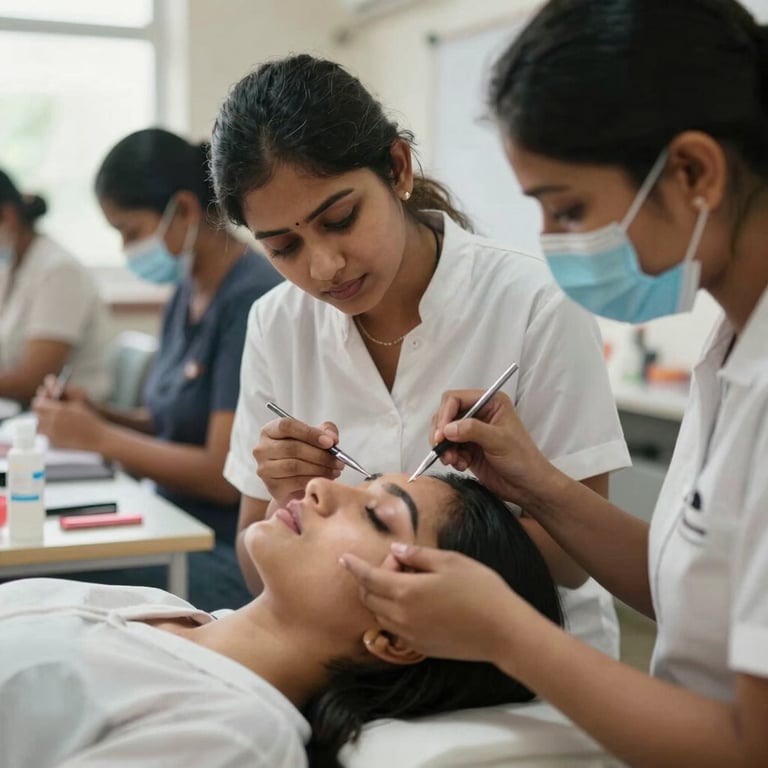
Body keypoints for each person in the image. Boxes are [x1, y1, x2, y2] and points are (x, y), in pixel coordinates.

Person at [340, 1, 768, 765]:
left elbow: (751, 745)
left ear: (693, 172)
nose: (553, 243)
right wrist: (538, 487)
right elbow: (694, 587)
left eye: (569, 209)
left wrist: (504, 631)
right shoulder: (732, 344)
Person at [209, 54, 631, 656]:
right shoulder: (276, 323)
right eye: (283, 248)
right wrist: (285, 502)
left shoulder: (535, 304)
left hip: (528, 666)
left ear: (398, 168)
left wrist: (391, 561)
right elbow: (257, 571)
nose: (324, 267)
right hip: (360, 665)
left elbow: (573, 564)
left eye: (341, 219)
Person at [0, 473, 563, 768]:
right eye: (360, 482)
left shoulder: (236, 737)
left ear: (397, 635)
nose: (320, 486)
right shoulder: (151, 604)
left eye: (375, 514)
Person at [33, 129, 283, 610]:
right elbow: (171, 424)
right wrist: (99, 416)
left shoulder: (250, 301)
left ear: (183, 210)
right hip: (165, 517)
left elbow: (221, 476)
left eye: (131, 232)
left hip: (218, 549)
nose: (127, 250)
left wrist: (99, 438)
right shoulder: (186, 292)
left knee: (43, 571)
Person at [0, 169, 110, 405]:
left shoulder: (60, 271)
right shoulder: (10, 268)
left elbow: (33, 381)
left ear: (7, 216)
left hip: (70, 415)